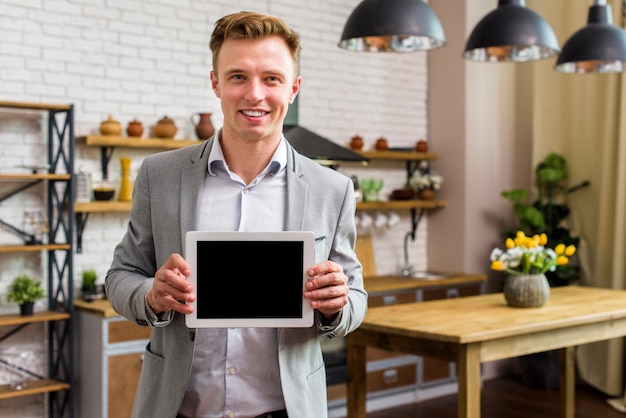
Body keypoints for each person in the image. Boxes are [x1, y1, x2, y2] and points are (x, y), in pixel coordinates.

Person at [105, 11, 367, 418]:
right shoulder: (159, 176)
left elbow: (355, 299)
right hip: (177, 408)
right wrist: (151, 296)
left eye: (272, 79)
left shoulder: (332, 189)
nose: (255, 94)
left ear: (293, 88)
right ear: (216, 83)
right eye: (238, 76)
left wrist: (337, 304)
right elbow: (120, 277)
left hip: (287, 409)